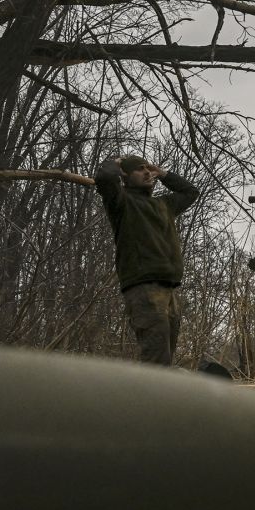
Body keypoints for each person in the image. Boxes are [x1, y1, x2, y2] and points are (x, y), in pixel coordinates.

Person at [95, 155, 200, 366]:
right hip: (144, 288)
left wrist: (162, 173)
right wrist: (117, 163)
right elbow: (105, 178)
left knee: (165, 360)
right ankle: (149, 398)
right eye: (139, 169)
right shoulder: (121, 202)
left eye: (147, 168)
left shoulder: (163, 205)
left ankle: (161, 398)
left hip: (168, 289)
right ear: (125, 176)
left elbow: (191, 192)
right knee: (155, 361)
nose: (146, 172)